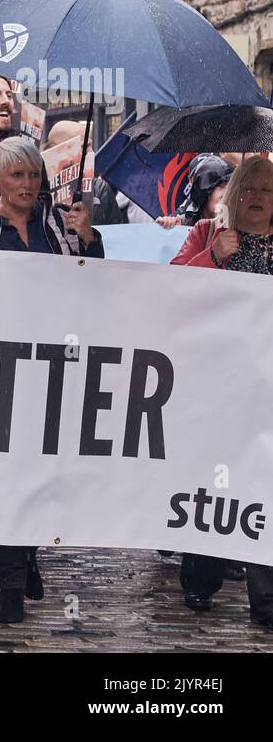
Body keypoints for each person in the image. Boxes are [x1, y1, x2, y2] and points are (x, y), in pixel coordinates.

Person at [0, 136, 102, 623]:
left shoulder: (58, 223)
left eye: (33, 175)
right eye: (17, 175)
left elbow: (93, 287)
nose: (28, 184)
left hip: (53, 369)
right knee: (5, 477)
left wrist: (89, 241)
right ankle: (12, 579)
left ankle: (26, 553)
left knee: (40, 474)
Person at [168, 156, 273, 630]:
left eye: (267, 190)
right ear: (234, 195)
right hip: (216, 383)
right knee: (214, 480)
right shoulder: (208, 234)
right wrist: (213, 256)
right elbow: (171, 287)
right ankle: (201, 574)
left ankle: (265, 599)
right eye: (248, 189)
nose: (257, 198)